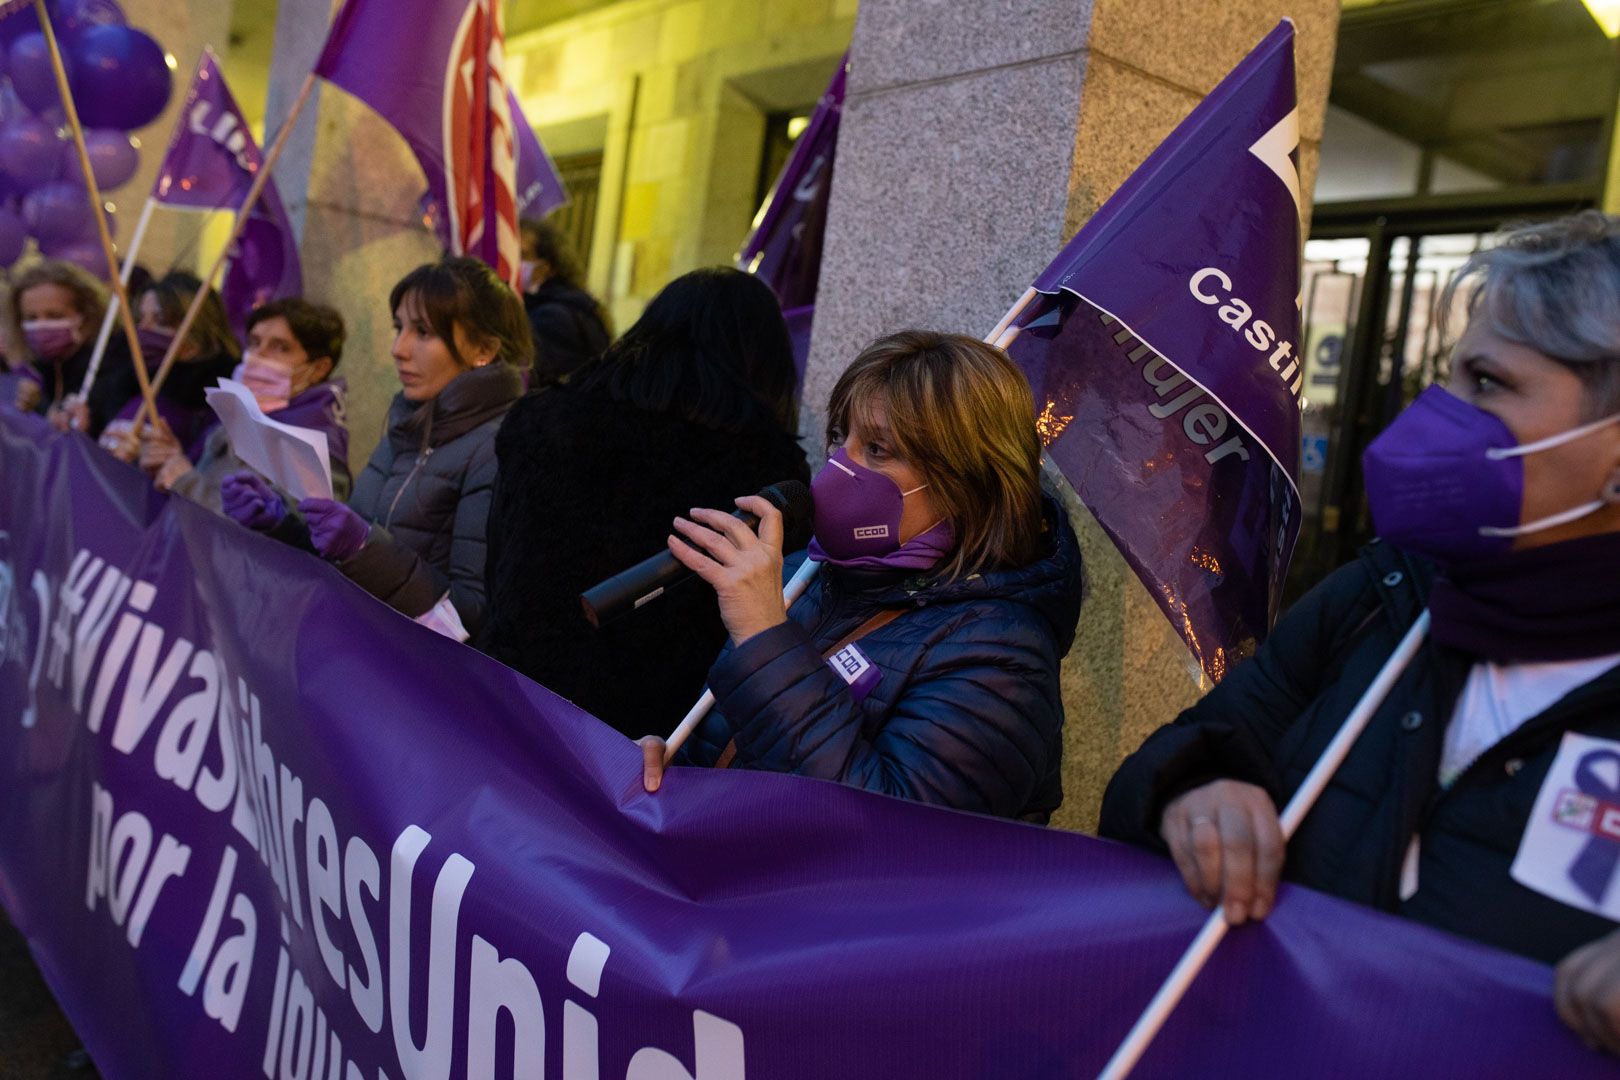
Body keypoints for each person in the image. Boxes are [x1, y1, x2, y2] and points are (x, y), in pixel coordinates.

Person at [1096, 212, 1620, 1054]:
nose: (1440, 413)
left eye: (1486, 381)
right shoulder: (1385, 596)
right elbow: (1168, 765)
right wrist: (1191, 794)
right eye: (1448, 375)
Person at [636, 330, 1084, 823]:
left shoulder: (1003, 657)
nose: (837, 468)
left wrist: (765, 637)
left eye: (877, 449)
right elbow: (744, 748)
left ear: (964, 483)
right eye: (838, 436)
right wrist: (676, 771)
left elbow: (883, 836)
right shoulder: (807, 580)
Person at [479, 267, 809, 738]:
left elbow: (498, 563)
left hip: (508, 699)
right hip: (645, 746)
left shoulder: (544, 418)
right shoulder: (768, 467)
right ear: (767, 361)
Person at [221, 257, 529, 640]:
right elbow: (350, 563)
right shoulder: (410, 427)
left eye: (423, 332)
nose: (398, 348)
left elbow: (469, 618)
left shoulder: (499, 450)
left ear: (483, 349)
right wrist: (283, 524)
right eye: (399, 327)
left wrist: (364, 546)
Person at [139, 298, 351, 511]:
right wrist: (170, 460)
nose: (257, 355)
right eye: (254, 342)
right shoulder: (238, 418)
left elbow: (271, 536)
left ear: (319, 369)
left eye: (280, 347)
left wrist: (186, 483)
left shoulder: (315, 452)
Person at [98, 272, 240, 462]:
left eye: (160, 320)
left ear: (198, 333)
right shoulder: (122, 384)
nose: (143, 329)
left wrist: (168, 462)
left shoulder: (222, 404)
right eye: (141, 318)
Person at [6, 259, 129, 434]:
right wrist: (39, 407)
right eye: (31, 318)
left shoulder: (113, 370)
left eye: (54, 315)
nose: (41, 326)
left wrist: (88, 428)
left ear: (86, 316)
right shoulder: (40, 369)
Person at [519, 218, 610, 385]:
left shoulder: (552, 317)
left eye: (523, 255)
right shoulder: (574, 305)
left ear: (547, 268)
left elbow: (536, 381)